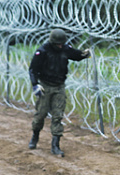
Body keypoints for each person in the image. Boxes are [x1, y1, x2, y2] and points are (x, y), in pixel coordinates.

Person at [28, 28, 91, 157]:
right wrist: (36, 85)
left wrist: (84, 54)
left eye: (62, 44)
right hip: (45, 86)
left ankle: (55, 146)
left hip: (59, 86)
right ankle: (35, 136)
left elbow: (76, 55)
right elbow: (33, 70)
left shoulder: (65, 49)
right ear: (52, 42)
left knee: (58, 115)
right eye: (58, 44)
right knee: (41, 115)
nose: (60, 46)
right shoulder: (43, 51)